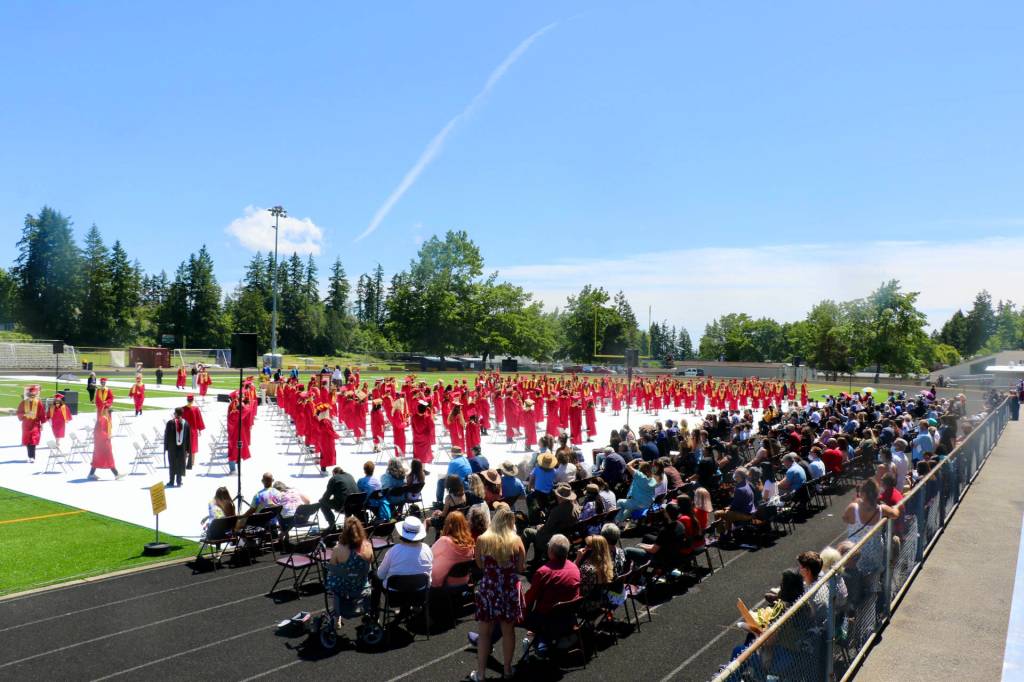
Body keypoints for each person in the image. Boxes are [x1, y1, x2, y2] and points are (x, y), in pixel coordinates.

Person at [470, 507, 527, 681]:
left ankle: (480, 674)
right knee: (508, 631)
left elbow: (480, 565)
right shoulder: (516, 540)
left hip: (489, 589)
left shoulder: (482, 540)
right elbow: (520, 568)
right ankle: (508, 670)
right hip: (508, 590)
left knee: (484, 632)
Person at [371, 516, 433, 614]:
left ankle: (374, 613)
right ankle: (413, 607)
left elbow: (380, 575)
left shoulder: (394, 551)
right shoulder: (427, 549)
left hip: (396, 596)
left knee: (374, 575)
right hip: (420, 594)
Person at [327, 517, 374, 626]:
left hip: (344, 587)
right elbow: (370, 563)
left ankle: (337, 616)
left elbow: (332, 567)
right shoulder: (368, 545)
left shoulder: (338, 549)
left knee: (331, 575)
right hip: (361, 585)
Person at [524, 483, 579, 564]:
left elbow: (547, 529)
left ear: (559, 497)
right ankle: (537, 559)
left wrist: (540, 527)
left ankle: (522, 560)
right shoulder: (575, 507)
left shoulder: (557, 511)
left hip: (552, 538)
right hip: (566, 535)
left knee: (527, 531)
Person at [431, 510, 476, 588]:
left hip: (443, 584)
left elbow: (430, 554)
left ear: (448, 524)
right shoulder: (470, 542)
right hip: (464, 582)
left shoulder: (445, 541)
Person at [715, 467, 757, 534]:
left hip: (745, 514)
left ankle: (722, 535)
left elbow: (735, 505)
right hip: (751, 511)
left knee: (718, 513)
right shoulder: (747, 483)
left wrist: (729, 508)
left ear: (739, 476)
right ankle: (728, 532)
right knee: (728, 513)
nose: (734, 474)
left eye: (736, 473)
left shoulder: (739, 489)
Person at [88, 406, 122, 480]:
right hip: (103, 442)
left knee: (98, 458)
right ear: (105, 411)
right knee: (108, 457)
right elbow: (99, 431)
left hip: (103, 442)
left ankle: (91, 474)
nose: (110, 414)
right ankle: (116, 474)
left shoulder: (105, 418)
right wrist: (107, 436)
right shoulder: (102, 419)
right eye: (109, 412)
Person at [321, 466, 358, 530]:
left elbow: (326, 496)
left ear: (334, 473)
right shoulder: (350, 475)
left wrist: (322, 500)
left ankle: (332, 525)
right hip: (357, 504)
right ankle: (346, 525)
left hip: (344, 506)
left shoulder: (334, 478)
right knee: (345, 500)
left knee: (322, 503)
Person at [16, 385, 46, 463]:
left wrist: (42, 425)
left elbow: (42, 414)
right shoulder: (23, 403)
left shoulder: (38, 403)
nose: (32, 397)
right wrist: (25, 414)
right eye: (30, 395)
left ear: (35, 395)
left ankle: (33, 457)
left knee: (33, 440)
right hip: (26, 424)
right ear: (28, 395)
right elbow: (19, 412)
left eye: (33, 395)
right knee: (28, 441)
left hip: (35, 424)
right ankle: (29, 456)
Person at [163, 407, 192, 487]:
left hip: (172, 448)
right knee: (180, 464)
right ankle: (179, 482)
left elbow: (167, 436)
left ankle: (171, 481)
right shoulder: (186, 423)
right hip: (182, 448)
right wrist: (187, 449)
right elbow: (188, 438)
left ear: (176, 413)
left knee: (172, 464)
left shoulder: (170, 423)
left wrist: (166, 447)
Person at [180, 394, 205, 469]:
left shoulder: (182, 409)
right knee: (193, 446)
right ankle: (192, 462)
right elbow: (199, 419)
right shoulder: (196, 409)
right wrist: (200, 429)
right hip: (193, 430)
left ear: (187, 400)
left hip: (184, 430)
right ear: (193, 400)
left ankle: (183, 461)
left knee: (184, 446)